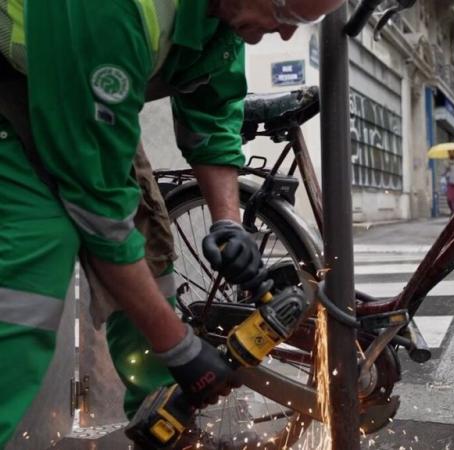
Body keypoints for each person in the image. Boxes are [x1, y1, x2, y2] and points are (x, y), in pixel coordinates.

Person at [0, 0, 344, 448]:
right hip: (12, 87)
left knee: (150, 252)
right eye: (286, 16)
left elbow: (212, 109)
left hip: (81, 89)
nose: (282, 35)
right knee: (31, 273)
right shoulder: (118, 11)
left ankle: (165, 427)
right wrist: (179, 348)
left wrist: (228, 223)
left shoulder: (222, 15)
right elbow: (99, 211)